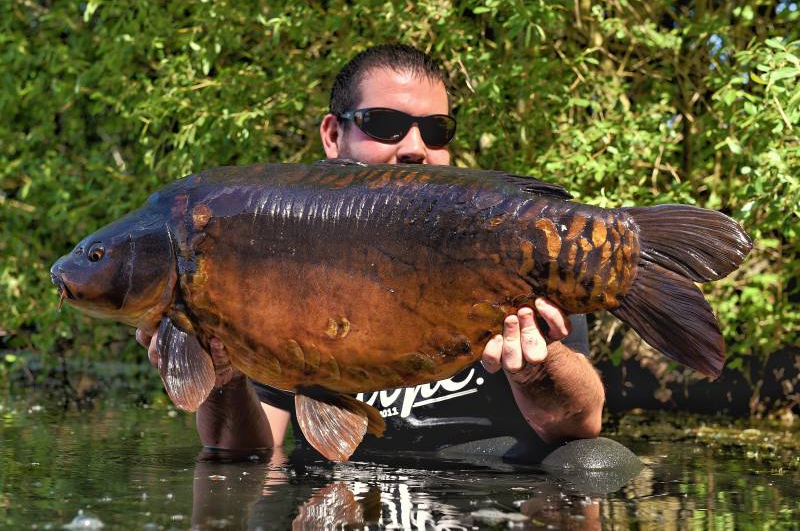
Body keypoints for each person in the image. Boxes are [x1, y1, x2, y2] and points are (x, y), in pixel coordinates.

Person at [137, 44, 604, 461]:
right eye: (386, 125)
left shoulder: (511, 240)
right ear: (332, 135)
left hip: (478, 486)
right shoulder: (272, 251)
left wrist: (540, 366)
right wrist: (223, 379)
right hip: (333, 495)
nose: (416, 148)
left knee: (594, 461)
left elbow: (580, 425)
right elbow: (247, 449)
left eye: (437, 131)